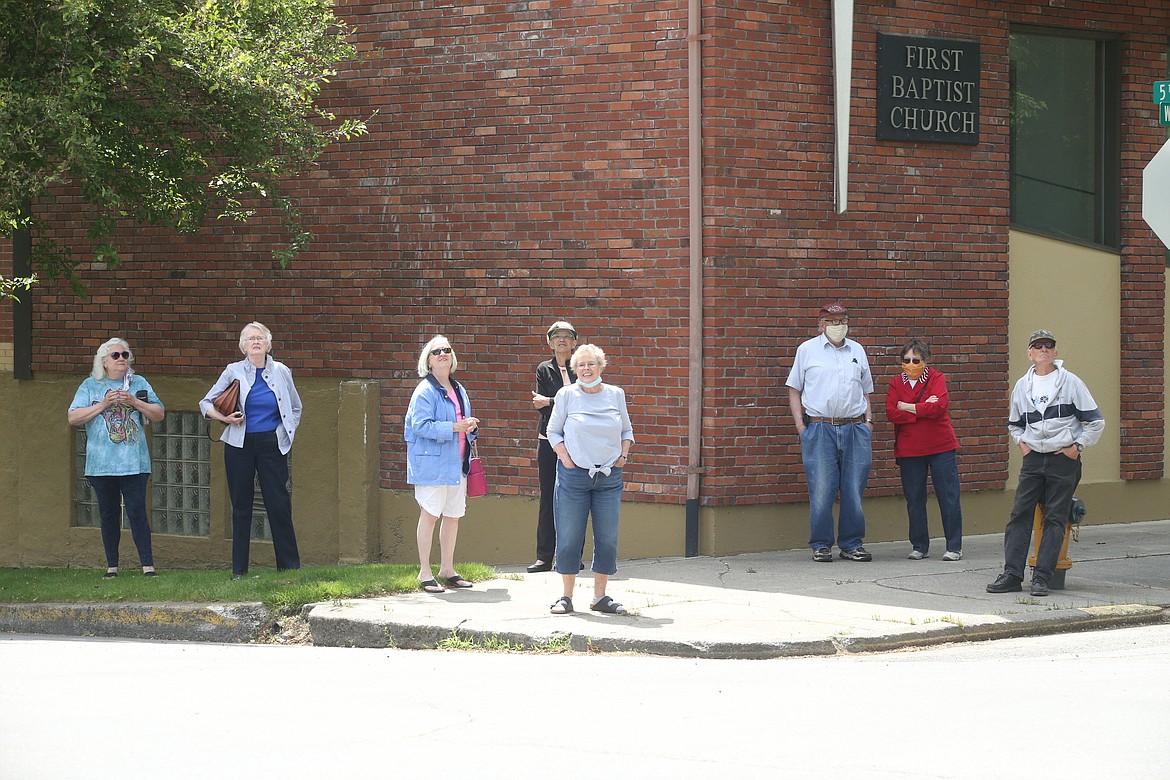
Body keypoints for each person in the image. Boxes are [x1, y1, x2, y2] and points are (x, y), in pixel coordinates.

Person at [987, 329, 1104, 597]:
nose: (1043, 349)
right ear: (1029, 354)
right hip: (1033, 460)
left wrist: (1077, 448)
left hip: (1063, 460)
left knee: (1055, 518)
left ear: (1055, 352)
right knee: (1019, 516)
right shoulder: (1022, 386)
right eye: (1037, 346)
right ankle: (1012, 575)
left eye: (1048, 345)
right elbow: (1014, 424)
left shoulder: (1071, 383)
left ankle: (1041, 577)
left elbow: (1095, 421)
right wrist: (1023, 445)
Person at [201, 322, 303, 579]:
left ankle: (289, 568)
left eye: (260, 338)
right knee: (241, 506)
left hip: (272, 443)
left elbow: (295, 407)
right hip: (239, 443)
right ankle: (239, 571)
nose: (255, 342)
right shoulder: (232, 370)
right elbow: (206, 403)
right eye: (250, 339)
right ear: (243, 346)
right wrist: (225, 420)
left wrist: (283, 433)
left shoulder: (281, 371)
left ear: (269, 344)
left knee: (278, 504)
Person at [545, 344, 634, 615]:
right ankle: (566, 596)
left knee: (607, 537)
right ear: (575, 369)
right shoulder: (566, 395)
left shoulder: (615, 394)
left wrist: (623, 457)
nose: (586, 368)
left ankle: (599, 597)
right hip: (574, 477)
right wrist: (566, 459)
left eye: (591, 363)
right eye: (581, 364)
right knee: (570, 536)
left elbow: (627, 429)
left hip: (609, 477)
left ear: (601, 366)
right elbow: (553, 431)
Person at [68, 338, 165, 578]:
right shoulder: (90, 385)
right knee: (109, 514)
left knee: (137, 512)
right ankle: (112, 566)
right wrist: (103, 404)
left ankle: (147, 566)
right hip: (101, 464)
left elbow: (159, 413)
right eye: (116, 356)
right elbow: (73, 418)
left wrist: (134, 401)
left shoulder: (138, 382)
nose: (122, 359)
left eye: (125, 354)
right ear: (104, 362)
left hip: (134, 463)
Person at [786, 300, 875, 562]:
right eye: (833, 322)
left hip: (855, 428)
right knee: (822, 488)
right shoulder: (807, 351)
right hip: (820, 428)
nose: (839, 326)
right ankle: (821, 544)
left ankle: (852, 543)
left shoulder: (857, 350)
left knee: (854, 489)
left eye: (843, 321)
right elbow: (794, 389)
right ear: (822, 324)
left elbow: (866, 389)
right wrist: (801, 427)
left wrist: (868, 422)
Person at [405, 335, 480, 594]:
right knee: (430, 516)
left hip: (457, 464)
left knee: (453, 517)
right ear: (428, 360)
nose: (442, 354)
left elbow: (461, 425)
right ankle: (424, 571)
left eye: (446, 350)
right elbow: (419, 426)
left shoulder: (459, 389)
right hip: (432, 465)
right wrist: (454, 427)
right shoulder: (424, 391)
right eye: (436, 351)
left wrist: (469, 426)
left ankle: (447, 569)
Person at [884, 339, 964, 561]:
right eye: (906, 360)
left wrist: (908, 407)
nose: (911, 364)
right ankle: (919, 545)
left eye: (916, 360)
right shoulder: (895, 383)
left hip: (941, 446)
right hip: (909, 450)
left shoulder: (936, 378)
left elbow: (939, 407)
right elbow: (892, 413)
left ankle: (954, 546)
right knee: (915, 498)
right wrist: (923, 409)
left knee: (948, 496)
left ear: (925, 361)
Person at [527, 320, 578, 573]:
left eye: (567, 336)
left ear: (574, 342)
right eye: (556, 336)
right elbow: (545, 403)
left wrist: (549, 399)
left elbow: (578, 399)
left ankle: (570, 557)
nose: (561, 340)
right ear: (549, 342)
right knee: (548, 496)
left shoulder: (581, 367)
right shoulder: (543, 369)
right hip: (548, 440)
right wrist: (554, 400)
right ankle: (544, 557)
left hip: (576, 441)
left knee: (573, 498)